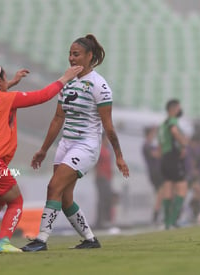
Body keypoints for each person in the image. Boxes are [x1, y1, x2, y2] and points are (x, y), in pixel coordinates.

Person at [0, 63, 83, 254]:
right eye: (5, 78)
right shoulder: (8, 99)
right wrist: (64, 78)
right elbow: (42, 96)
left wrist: (11, 84)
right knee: (16, 201)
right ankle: (4, 242)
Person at [22, 34, 130, 252]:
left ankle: (41, 240)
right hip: (66, 144)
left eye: (76, 54)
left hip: (86, 146)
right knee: (64, 198)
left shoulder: (99, 85)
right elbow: (58, 118)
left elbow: (108, 126)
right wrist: (43, 149)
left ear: (89, 56)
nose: (71, 58)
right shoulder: (67, 80)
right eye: (70, 54)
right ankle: (90, 239)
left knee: (53, 186)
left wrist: (118, 155)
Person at [158, 99, 188, 229]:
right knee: (182, 188)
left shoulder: (162, 125)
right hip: (173, 157)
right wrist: (183, 144)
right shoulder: (172, 120)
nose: (180, 111)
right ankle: (173, 220)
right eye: (178, 108)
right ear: (173, 109)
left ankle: (167, 224)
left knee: (168, 188)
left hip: (165, 158)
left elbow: (160, 145)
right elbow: (175, 131)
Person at [142, 126, 164, 224]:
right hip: (155, 173)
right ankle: (155, 216)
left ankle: (157, 215)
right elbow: (157, 154)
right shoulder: (146, 146)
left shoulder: (150, 145)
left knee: (160, 194)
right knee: (161, 193)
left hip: (157, 172)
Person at [94, 132, 114, 229]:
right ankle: (101, 221)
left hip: (107, 177)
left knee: (107, 199)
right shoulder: (100, 149)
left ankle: (105, 220)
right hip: (102, 177)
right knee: (103, 199)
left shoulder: (107, 149)